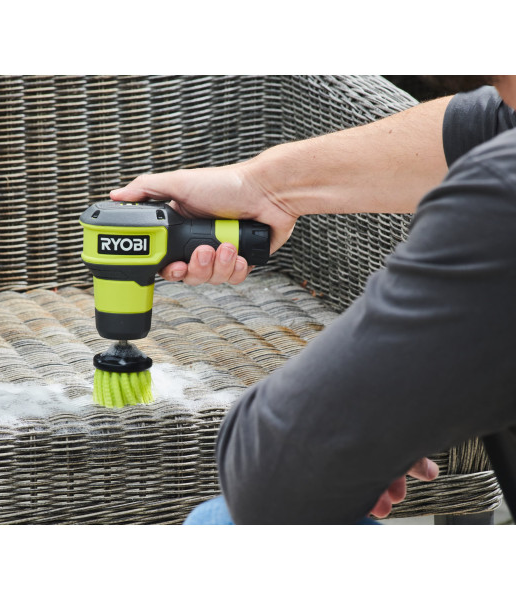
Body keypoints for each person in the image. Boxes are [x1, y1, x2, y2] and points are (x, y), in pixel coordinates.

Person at [111, 75, 516, 524]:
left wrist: (365, 426)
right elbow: (489, 123)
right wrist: (263, 186)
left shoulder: (500, 203)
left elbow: (269, 469)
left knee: (219, 521)